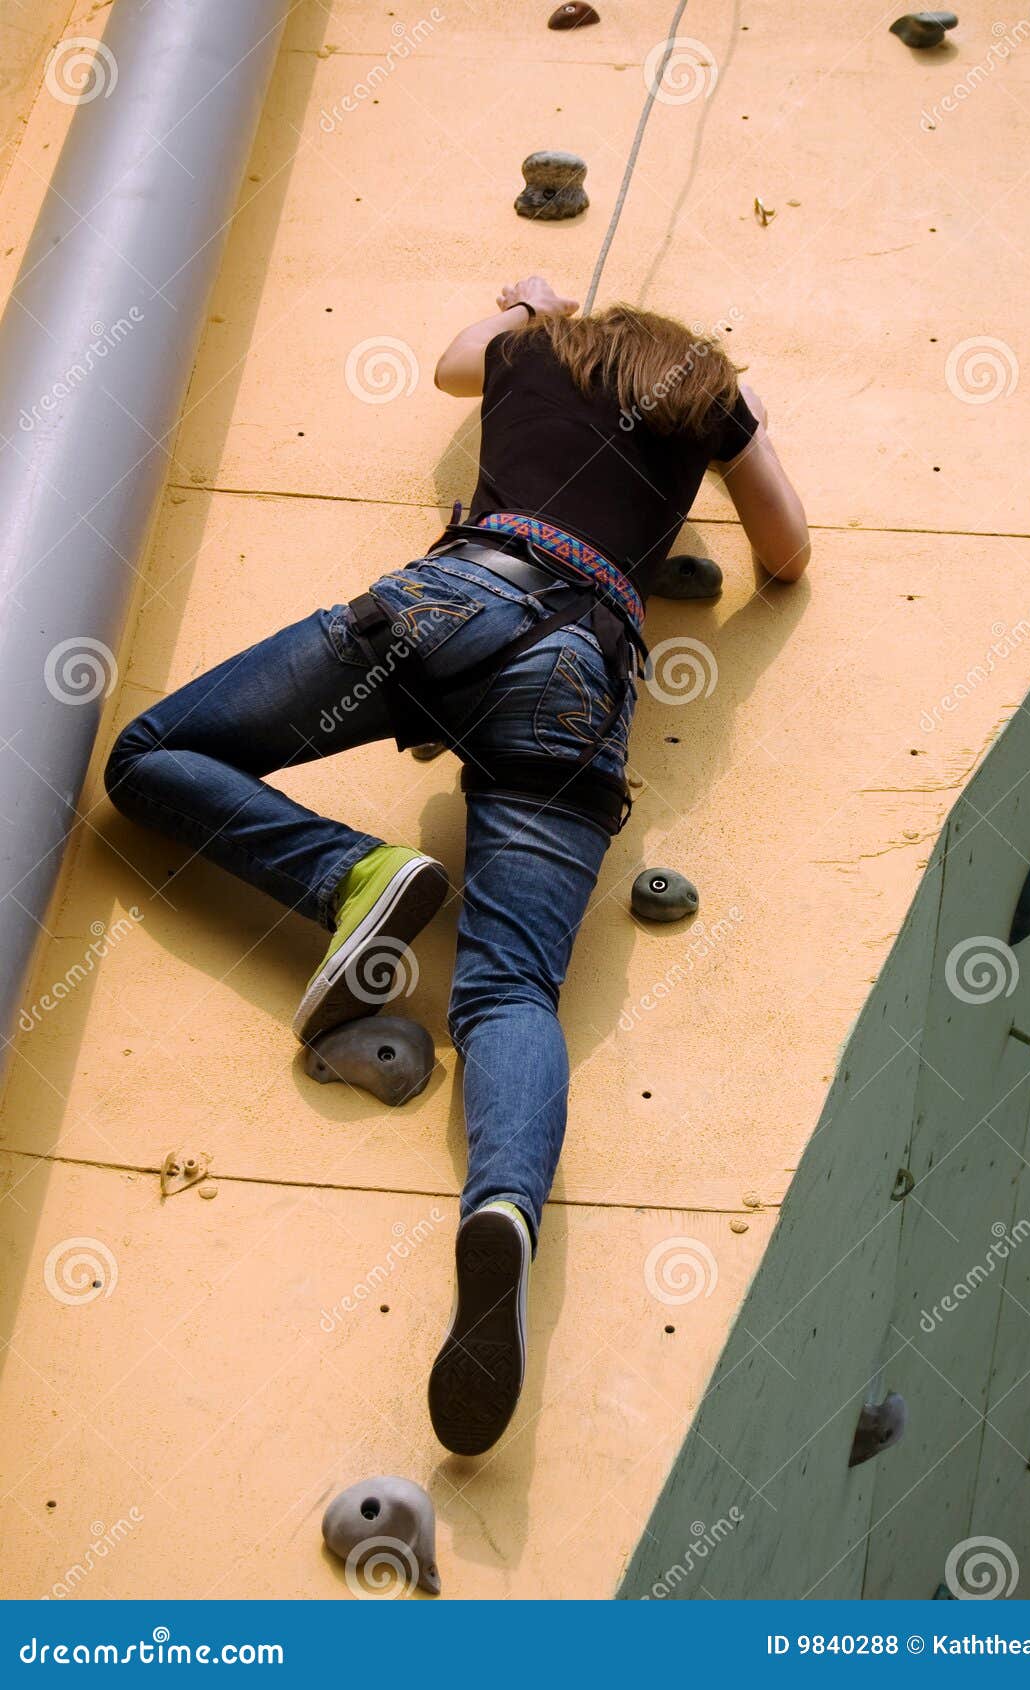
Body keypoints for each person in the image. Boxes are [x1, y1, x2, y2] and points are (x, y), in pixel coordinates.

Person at [104, 277, 809, 1456]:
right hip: (583, 660)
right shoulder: (705, 397)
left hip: (451, 598)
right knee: (508, 991)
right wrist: (734, 432)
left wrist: (526, 306)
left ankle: (349, 876)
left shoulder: (534, 348)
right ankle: (502, 1210)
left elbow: (449, 363)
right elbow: (783, 553)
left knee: (150, 755)